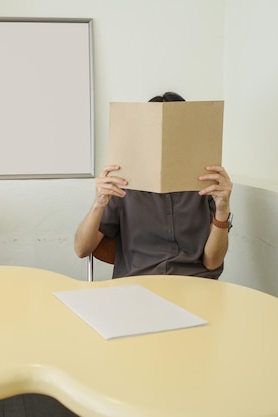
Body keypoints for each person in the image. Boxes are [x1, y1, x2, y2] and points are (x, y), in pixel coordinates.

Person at [74, 92, 232, 279]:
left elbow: (212, 262)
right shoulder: (122, 184)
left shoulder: (207, 184)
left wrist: (222, 211)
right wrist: (98, 203)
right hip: (137, 285)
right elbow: (82, 249)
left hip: (194, 285)